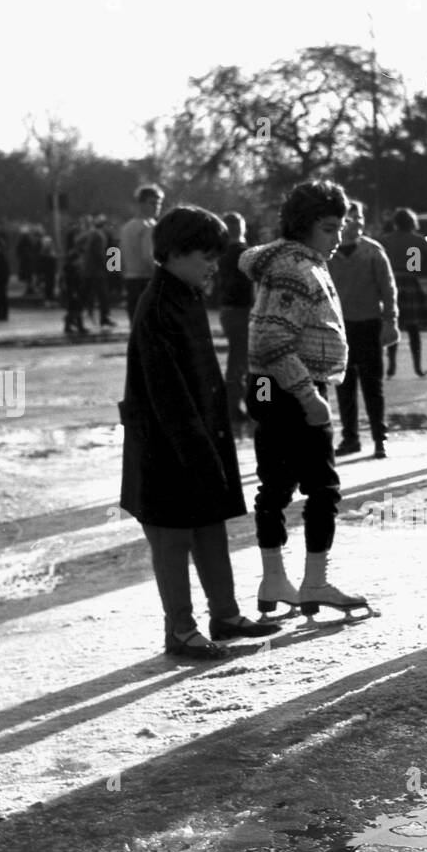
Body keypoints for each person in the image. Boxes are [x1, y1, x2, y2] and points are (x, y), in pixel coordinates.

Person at [119, 205, 280, 661]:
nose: (214, 265)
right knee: (173, 539)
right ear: (172, 253)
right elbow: (166, 392)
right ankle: (181, 629)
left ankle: (225, 615)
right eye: (205, 256)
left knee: (210, 528)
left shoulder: (183, 294)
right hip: (167, 448)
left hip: (195, 440)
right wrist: (198, 449)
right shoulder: (157, 305)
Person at [240, 179, 367, 617]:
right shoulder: (295, 267)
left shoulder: (292, 262)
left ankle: (276, 578)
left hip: (272, 388)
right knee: (322, 487)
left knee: (275, 486)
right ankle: (314, 582)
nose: (339, 238)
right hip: (291, 389)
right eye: (330, 228)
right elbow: (270, 340)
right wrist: (307, 394)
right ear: (306, 225)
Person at [329, 202, 398, 458]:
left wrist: (391, 320)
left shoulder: (373, 251)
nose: (356, 222)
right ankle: (350, 438)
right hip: (339, 327)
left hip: (369, 324)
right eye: (350, 218)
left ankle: (380, 438)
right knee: (343, 385)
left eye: (359, 217)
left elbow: (388, 289)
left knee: (372, 385)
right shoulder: (329, 254)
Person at [378, 208, 427, 378]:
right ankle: (417, 367)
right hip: (410, 283)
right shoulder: (417, 241)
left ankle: (391, 366)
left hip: (391, 282)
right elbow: (415, 267)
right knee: (414, 329)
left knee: (392, 323)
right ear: (412, 223)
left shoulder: (385, 241)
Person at [216, 211, 254, 429]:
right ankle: (253, 404)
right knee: (250, 363)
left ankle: (235, 405)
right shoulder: (247, 253)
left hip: (227, 310)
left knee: (237, 359)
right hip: (245, 310)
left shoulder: (220, 254)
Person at [121, 185, 163, 322]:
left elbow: (114, 253)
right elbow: (148, 256)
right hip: (146, 280)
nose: (157, 206)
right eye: (153, 203)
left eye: (159, 203)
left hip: (130, 281)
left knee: (136, 326)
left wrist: (116, 275)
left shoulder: (125, 227)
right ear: (141, 203)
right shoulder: (149, 226)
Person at [83, 216, 113, 329]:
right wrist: (108, 266)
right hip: (97, 272)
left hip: (88, 271)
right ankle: (104, 318)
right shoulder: (100, 236)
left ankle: (77, 318)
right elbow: (99, 254)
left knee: (88, 295)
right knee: (103, 296)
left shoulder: (91, 234)